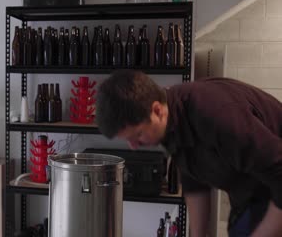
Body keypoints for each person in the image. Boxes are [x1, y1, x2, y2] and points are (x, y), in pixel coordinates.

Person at [95, 70, 282, 237]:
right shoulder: (170, 122)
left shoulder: (215, 114)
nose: (134, 146)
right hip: (251, 194)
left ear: (157, 111)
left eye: (138, 135)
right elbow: (195, 185)